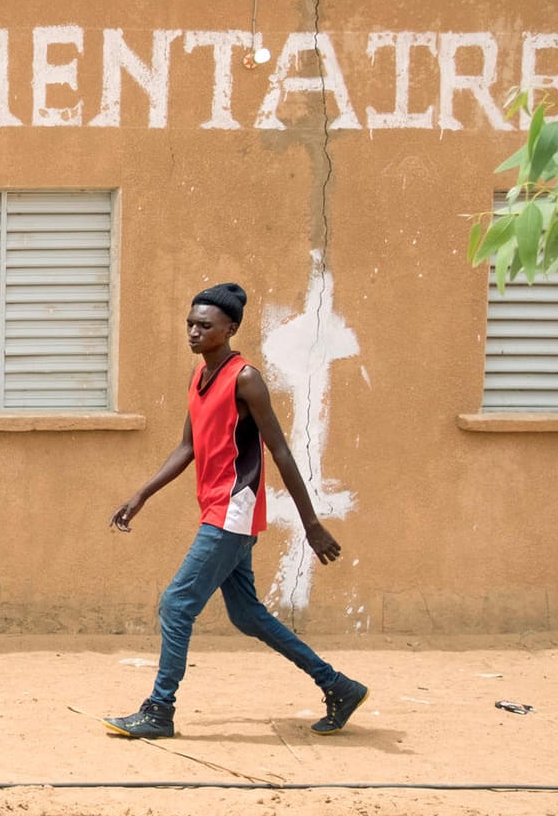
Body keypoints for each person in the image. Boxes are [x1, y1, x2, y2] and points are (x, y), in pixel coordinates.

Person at [104, 282, 368, 740]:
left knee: (177, 603)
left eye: (204, 326)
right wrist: (142, 494)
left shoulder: (245, 379)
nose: (193, 331)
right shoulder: (199, 378)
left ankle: (159, 711)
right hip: (217, 508)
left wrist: (311, 526)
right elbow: (187, 447)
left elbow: (282, 453)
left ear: (229, 329)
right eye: (190, 323)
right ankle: (339, 686)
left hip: (233, 511)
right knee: (247, 615)